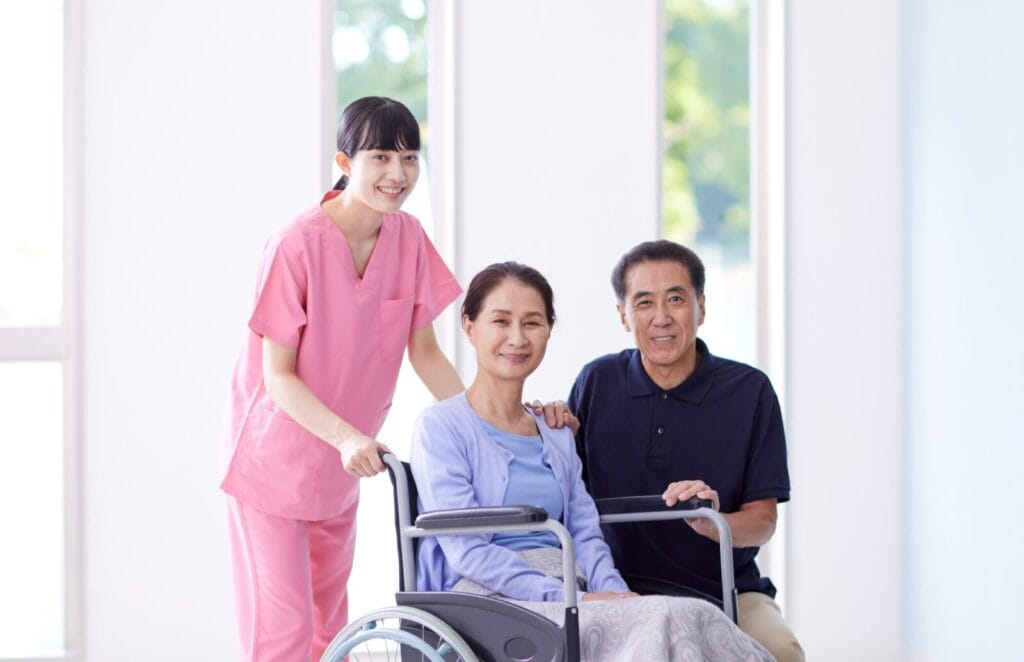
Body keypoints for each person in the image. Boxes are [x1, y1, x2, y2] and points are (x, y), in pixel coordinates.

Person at [412, 262, 772, 661]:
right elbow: (468, 552)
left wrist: (615, 592)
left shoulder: (554, 432)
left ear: (548, 331)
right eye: (501, 321)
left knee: (693, 614)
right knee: (659, 619)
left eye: (532, 323)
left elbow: (584, 531)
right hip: (489, 596)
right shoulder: (441, 427)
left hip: (568, 586)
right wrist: (576, 598)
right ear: (469, 326)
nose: (517, 338)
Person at [219, 96, 465, 661]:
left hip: (339, 473)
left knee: (330, 636)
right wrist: (347, 437)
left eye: (409, 157)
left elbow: (424, 352)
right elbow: (277, 375)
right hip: (274, 466)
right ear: (346, 161)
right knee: (281, 637)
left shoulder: (408, 238)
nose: (397, 174)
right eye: (380, 157)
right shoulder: (294, 244)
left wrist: (484, 422)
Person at [564, 239, 804, 662]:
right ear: (623, 315)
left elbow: (764, 521)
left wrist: (715, 524)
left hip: (727, 587)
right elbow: (566, 493)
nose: (661, 317)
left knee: (781, 652)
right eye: (644, 303)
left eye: (676, 299)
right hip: (618, 586)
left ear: (702, 307)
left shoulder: (750, 392)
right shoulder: (597, 382)